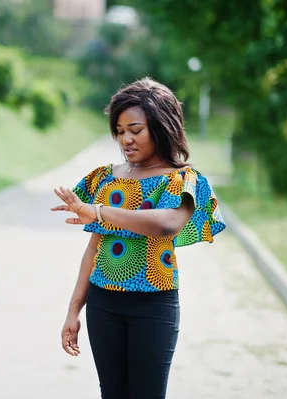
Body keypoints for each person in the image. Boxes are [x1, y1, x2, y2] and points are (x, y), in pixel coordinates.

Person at [51, 78, 226, 399]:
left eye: (135, 129)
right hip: (103, 304)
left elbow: (166, 224)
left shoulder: (182, 180)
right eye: (119, 131)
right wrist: (73, 311)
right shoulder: (105, 178)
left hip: (154, 305)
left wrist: (99, 212)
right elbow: (94, 248)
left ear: (161, 128)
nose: (125, 139)